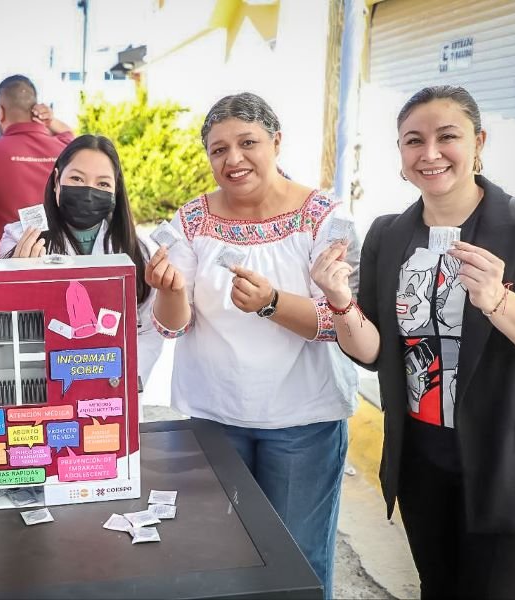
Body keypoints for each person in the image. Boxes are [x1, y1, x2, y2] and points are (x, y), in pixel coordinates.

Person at [310, 85, 515, 598]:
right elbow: (373, 352)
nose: (430, 153)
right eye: (413, 141)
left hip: (512, 464)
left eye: (448, 136)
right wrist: (339, 302)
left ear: (478, 141)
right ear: (401, 155)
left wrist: (496, 300)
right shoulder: (389, 234)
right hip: (423, 461)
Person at [145, 92, 360, 597]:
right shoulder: (192, 221)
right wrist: (170, 290)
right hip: (213, 417)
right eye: (218, 149)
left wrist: (271, 303)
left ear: (277, 141)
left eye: (248, 143)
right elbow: (173, 328)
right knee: (218, 558)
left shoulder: (323, 218)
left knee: (297, 562)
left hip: (302, 423)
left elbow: (338, 321)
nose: (233, 159)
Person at [0, 134, 163, 386]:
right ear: (56, 180)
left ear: (116, 192)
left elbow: (148, 328)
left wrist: (124, 375)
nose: (88, 193)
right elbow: (4, 325)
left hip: (112, 388)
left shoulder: (137, 249)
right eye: (76, 179)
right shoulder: (18, 237)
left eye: (103, 184)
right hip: (45, 384)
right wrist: (19, 282)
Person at [0, 75, 74, 248]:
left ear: (1, 112)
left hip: (7, 265)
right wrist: (50, 121)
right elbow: (70, 134)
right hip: (61, 259)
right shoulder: (66, 148)